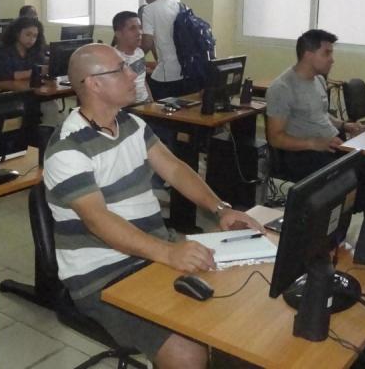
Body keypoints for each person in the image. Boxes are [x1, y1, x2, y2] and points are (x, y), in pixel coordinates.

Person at [44, 43, 262, 369]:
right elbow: (99, 221)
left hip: (154, 251)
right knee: (188, 354)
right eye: (121, 69)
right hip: (102, 274)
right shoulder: (67, 148)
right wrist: (169, 253)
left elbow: (174, 168)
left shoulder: (131, 124)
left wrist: (220, 209)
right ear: (94, 83)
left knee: (238, 311)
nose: (134, 73)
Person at [266, 29, 365, 183]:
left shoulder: (319, 79)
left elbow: (322, 114)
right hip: (305, 155)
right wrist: (314, 143)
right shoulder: (282, 87)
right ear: (308, 55)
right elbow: (275, 138)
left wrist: (345, 125)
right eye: (326, 54)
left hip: (330, 145)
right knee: (363, 176)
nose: (332, 60)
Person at [140, 0, 185, 100]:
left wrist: (135, 55)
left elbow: (148, 42)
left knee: (150, 94)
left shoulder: (149, 10)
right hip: (185, 70)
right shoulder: (179, 6)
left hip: (168, 72)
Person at [112, 10, 152, 104]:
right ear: (118, 34)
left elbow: (143, 81)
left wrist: (151, 101)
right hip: (128, 107)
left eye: (140, 28)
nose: (139, 33)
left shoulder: (140, 52)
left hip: (145, 103)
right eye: (132, 28)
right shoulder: (113, 58)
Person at [0, 16, 46, 81]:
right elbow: (5, 76)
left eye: (35, 36)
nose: (32, 39)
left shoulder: (35, 51)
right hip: (8, 89)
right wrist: (35, 72)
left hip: (29, 87)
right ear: (17, 33)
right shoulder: (4, 51)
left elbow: (41, 69)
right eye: (28, 34)